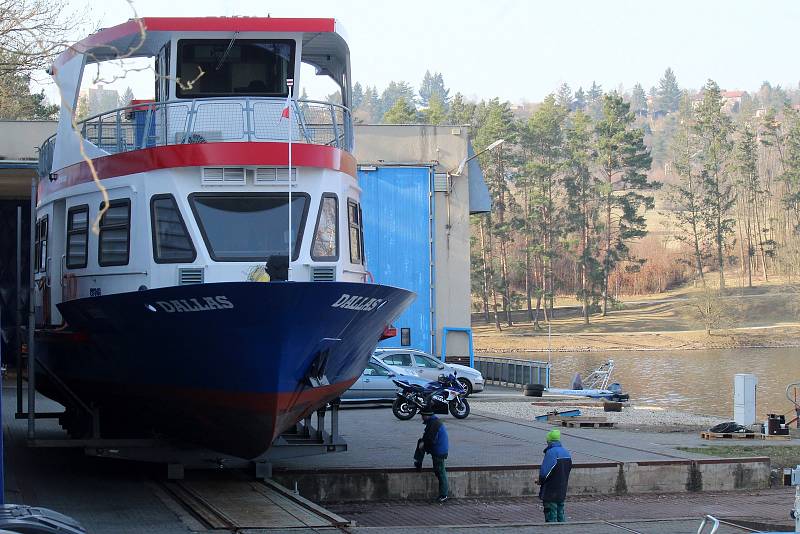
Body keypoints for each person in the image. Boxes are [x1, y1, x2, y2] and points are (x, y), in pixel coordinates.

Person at [413, 408, 449, 503]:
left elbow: (430, 439)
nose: (421, 417)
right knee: (421, 443)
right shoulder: (433, 422)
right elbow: (427, 437)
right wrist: (423, 443)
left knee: (440, 472)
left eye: (422, 416)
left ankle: (443, 495)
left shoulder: (434, 424)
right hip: (437, 448)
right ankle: (418, 462)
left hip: (439, 451)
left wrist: (423, 444)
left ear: (427, 415)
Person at [538, 428, 572, 522]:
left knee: (551, 513)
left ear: (549, 441)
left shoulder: (551, 453)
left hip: (551, 490)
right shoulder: (566, 452)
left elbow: (545, 472)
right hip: (562, 488)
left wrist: (540, 481)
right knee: (560, 512)